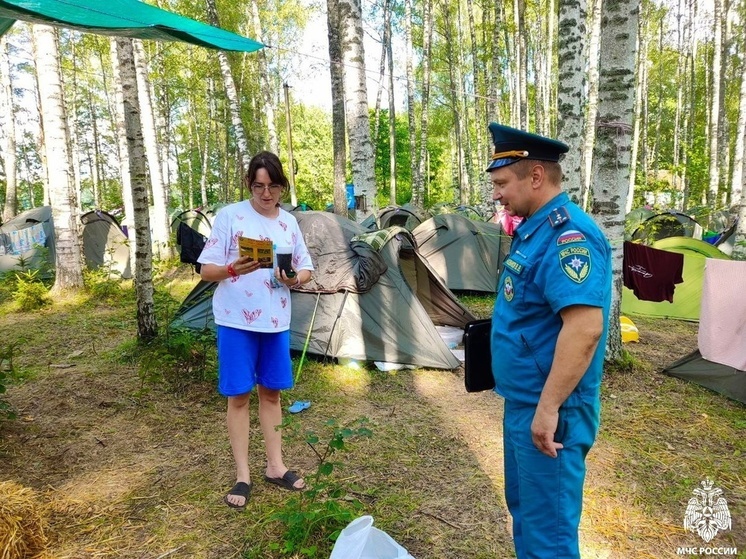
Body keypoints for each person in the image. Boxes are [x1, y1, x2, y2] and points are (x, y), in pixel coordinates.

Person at [486, 123, 612, 558]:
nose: (497, 194)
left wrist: (548, 408)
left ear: (535, 176)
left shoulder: (567, 235)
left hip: (551, 410)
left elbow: (585, 328)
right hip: (527, 404)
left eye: (502, 183)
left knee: (549, 537)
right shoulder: (535, 229)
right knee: (528, 516)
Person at [198, 151, 314, 511]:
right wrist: (234, 268)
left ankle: (275, 466)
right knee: (239, 396)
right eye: (259, 186)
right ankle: (243, 474)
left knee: (272, 395)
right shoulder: (231, 216)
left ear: (282, 187)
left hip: (275, 320)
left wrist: (293, 278)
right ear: (249, 184)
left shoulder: (289, 223)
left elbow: (306, 268)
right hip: (235, 320)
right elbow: (205, 270)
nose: (267, 194)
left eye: (274, 187)